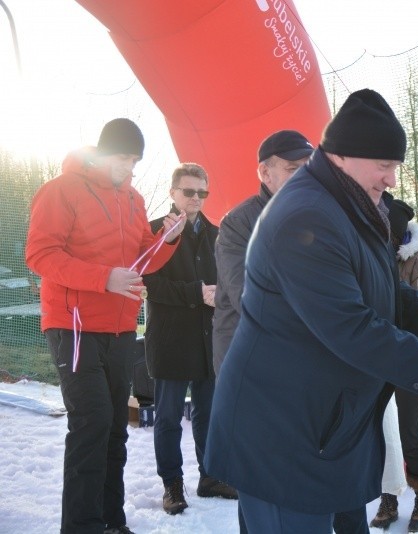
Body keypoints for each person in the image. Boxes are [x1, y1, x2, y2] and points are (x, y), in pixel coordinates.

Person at [204, 88, 418, 534]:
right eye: (385, 165)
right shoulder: (306, 216)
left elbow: (375, 290)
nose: (392, 180)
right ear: (344, 156)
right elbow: (350, 327)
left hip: (320, 426)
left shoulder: (349, 204)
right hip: (283, 434)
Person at [25, 118, 186, 534]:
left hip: (119, 328)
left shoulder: (132, 199)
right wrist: (103, 278)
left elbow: (139, 263)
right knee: (92, 423)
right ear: (101, 152)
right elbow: (41, 255)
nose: (129, 168)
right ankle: (81, 527)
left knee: (115, 428)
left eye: (134, 160)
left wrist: (164, 242)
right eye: (122, 158)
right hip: (74, 325)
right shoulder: (60, 190)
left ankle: (112, 522)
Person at [142, 163, 237, 516]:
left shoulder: (217, 235)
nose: (195, 198)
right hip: (170, 340)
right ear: (172, 193)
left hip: (209, 341)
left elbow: (231, 281)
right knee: (167, 417)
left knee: (209, 414)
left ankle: (210, 476)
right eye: (188, 191)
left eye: (202, 192)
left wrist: (221, 294)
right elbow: (148, 283)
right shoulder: (153, 232)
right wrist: (195, 293)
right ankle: (171, 483)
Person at [213, 130, 314, 375]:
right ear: (266, 173)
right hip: (249, 363)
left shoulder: (319, 218)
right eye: (292, 169)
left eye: (308, 167)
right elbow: (249, 298)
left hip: (302, 361)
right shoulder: (238, 224)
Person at [370, 199, 418, 531]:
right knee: (382, 434)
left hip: (410, 360)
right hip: (377, 361)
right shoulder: (370, 261)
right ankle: (388, 495)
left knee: (409, 432)